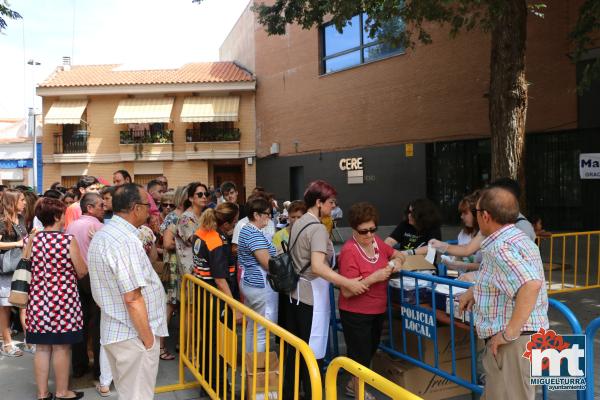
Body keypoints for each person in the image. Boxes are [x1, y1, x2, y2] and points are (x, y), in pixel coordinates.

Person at [458, 187, 548, 400]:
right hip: (518, 341)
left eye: (476, 210)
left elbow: (530, 284)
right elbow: (505, 277)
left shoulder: (500, 246)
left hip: (513, 344)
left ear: (485, 216)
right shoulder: (516, 238)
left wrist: (508, 334)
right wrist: (476, 290)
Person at [283, 180, 368, 400]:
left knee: (296, 352)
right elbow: (319, 267)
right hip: (312, 297)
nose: (334, 207)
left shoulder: (298, 222)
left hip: (295, 295)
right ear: (319, 202)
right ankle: (314, 394)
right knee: (314, 353)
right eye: (331, 202)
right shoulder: (318, 228)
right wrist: (347, 283)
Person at [87, 184, 168, 400]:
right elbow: (132, 297)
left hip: (121, 330)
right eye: (147, 205)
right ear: (135, 208)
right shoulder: (123, 240)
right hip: (132, 335)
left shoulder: (107, 234)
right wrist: (149, 340)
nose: (151, 210)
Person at [338, 202, 405, 400]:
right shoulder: (349, 251)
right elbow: (347, 291)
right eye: (363, 231)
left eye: (372, 230)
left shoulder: (377, 242)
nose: (369, 235)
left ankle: (354, 384)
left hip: (377, 308)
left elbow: (398, 254)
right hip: (356, 312)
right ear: (353, 229)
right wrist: (373, 278)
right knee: (359, 354)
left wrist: (396, 263)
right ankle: (357, 390)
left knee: (369, 351)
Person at [26, 197, 88, 400]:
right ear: (56, 216)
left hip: (37, 301)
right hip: (64, 302)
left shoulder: (31, 240)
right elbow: (81, 271)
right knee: (62, 347)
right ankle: (62, 391)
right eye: (62, 214)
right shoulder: (66, 240)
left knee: (42, 348)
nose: (65, 218)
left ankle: (42, 394)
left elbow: (26, 265)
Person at [190, 202, 239, 391]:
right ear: (226, 224)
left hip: (202, 295)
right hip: (215, 298)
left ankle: (206, 382)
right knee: (219, 343)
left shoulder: (201, 231)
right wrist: (235, 307)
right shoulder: (217, 240)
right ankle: (218, 386)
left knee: (207, 339)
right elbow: (220, 279)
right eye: (234, 223)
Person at [64, 193, 110, 392]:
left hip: (76, 277)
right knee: (99, 324)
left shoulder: (71, 226)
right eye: (100, 205)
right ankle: (100, 371)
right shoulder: (98, 227)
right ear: (90, 208)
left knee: (79, 322)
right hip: (95, 278)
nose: (104, 207)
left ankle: (79, 366)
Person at [237, 197, 278, 352]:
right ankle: (258, 369)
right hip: (259, 285)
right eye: (267, 213)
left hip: (250, 283)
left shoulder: (247, 229)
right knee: (261, 331)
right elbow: (267, 263)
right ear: (256, 214)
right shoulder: (254, 234)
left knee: (253, 327)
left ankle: (251, 367)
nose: (269, 217)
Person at [159, 186, 188, 356]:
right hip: (174, 266)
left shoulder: (182, 216)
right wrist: (187, 242)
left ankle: (181, 344)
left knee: (181, 306)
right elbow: (167, 243)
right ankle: (161, 346)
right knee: (170, 306)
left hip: (182, 266)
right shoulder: (173, 216)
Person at [0, 189, 27, 357]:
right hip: (6, 269)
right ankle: (7, 344)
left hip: (21, 268)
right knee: (5, 308)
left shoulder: (21, 219)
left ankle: (30, 340)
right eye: (22, 200)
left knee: (24, 305)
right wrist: (17, 243)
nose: (24, 202)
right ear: (12, 202)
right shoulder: (3, 221)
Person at [174, 182, 209, 276]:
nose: (204, 197)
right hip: (190, 269)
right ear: (190, 198)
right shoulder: (186, 218)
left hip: (202, 266)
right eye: (200, 194)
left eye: (206, 194)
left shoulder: (203, 216)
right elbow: (196, 242)